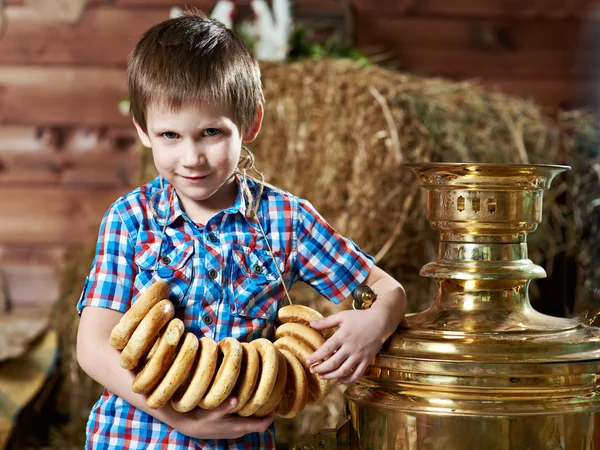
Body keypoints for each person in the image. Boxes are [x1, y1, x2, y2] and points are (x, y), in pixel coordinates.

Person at [76, 11, 406, 450]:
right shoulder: (131, 218)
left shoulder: (286, 220)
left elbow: (387, 290)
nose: (191, 157)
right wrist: (181, 419)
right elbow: (93, 345)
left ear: (251, 123)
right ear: (143, 132)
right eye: (170, 135)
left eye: (210, 132)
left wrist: (376, 324)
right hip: (132, 438)